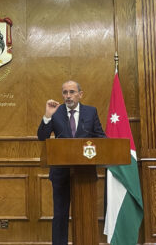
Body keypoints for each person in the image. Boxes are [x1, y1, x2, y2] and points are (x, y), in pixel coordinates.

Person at [37, 80, 105, 245]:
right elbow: (42, 137)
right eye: (65, 92)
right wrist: (47, 116)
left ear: (80, 94)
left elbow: (101, 137)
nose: (68, 96)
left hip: (85, 173)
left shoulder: (91, 112)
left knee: (85, 213)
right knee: (60, 214)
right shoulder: (56, 112)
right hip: (61, 171)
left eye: (72, 92)